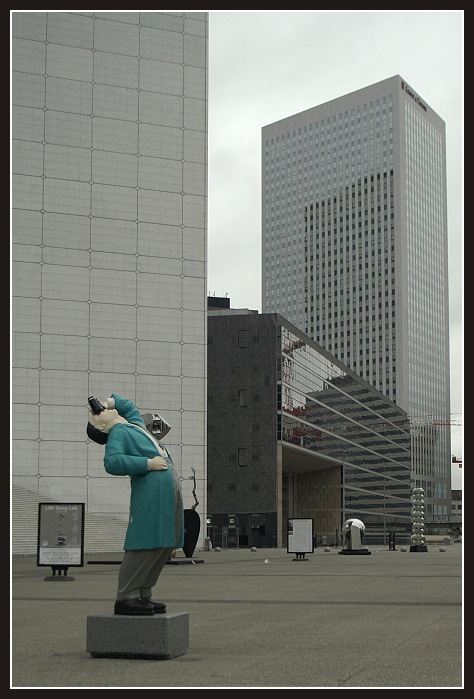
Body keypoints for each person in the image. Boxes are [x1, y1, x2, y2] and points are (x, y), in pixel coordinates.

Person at [87, 393, 184, 616]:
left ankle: (143, 591)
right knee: (146, 538)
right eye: (99, 414)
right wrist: (146, 464)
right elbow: (112, 462)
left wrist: (109, 402)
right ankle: (127, 595)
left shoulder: (133, 425)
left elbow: (129, 407)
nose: (102, 411)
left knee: (166, 541)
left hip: (167, 486)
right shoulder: (118, 432)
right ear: (102, 426)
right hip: (151, 489)